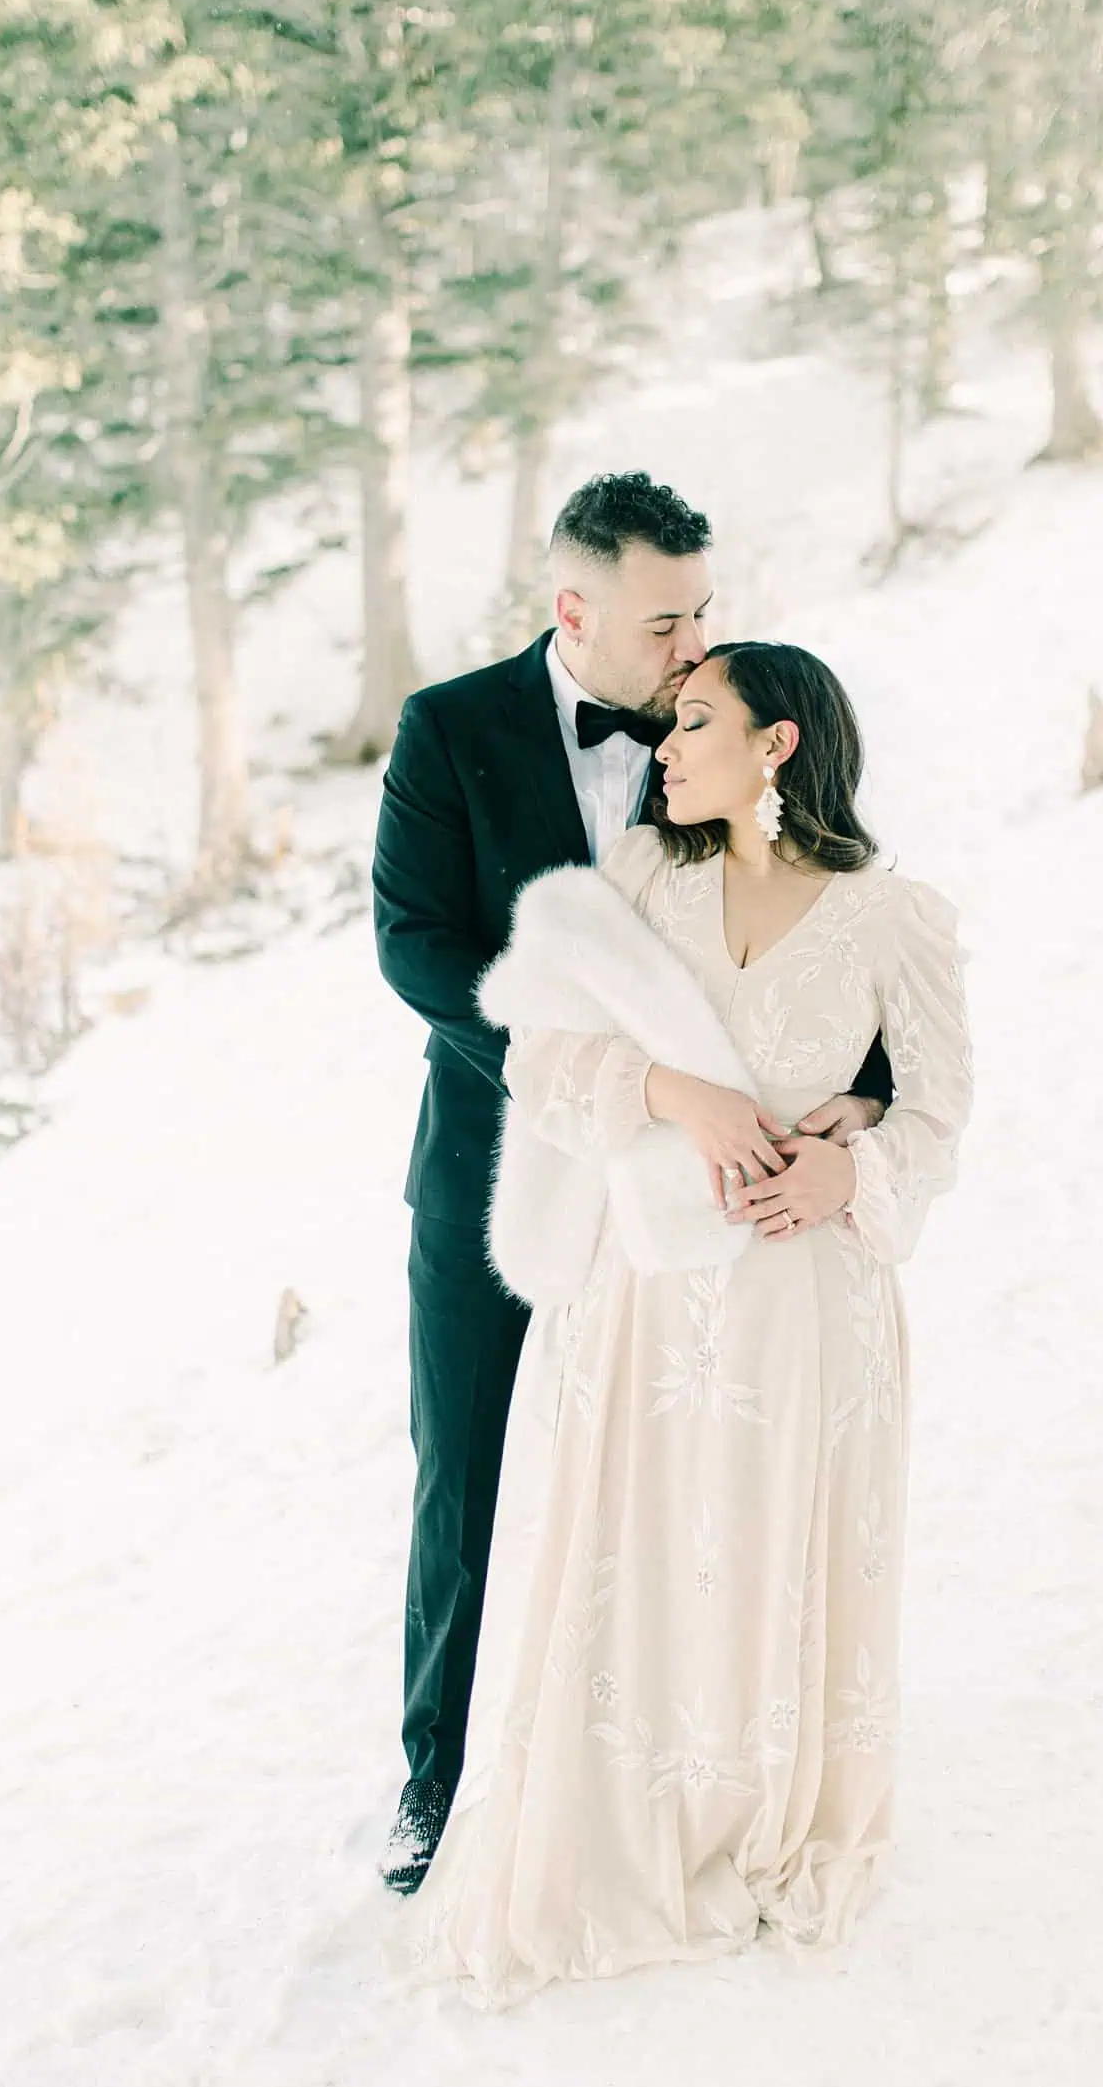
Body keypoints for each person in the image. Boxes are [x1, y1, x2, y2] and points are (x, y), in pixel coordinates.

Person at [387, 639, 975, 2007]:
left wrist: (858, 1162)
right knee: (641, 1552)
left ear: (776, 745)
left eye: (694, 722)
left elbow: (939, 1110)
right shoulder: (642, 884)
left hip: (808, 1306)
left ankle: (765, 1809)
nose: (663, 747)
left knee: (778, 1550)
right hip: (647, 1305)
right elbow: (541, 1052)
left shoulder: (898, 920)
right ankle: (636, 1814)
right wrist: (673, 1093)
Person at [371, 474, 892, 1893]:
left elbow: (831, 930)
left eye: (704, 613)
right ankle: (438, 1783)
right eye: (668, 618)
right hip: (496, 1162)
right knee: (468, 1475)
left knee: (667, 1485)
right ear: (573, 608)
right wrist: (570, 1066)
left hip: (701, 1188)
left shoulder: (727, 726)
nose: (691, 645)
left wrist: (859, 1110)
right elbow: (416, 948)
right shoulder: (447, 729)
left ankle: (648, 1783)